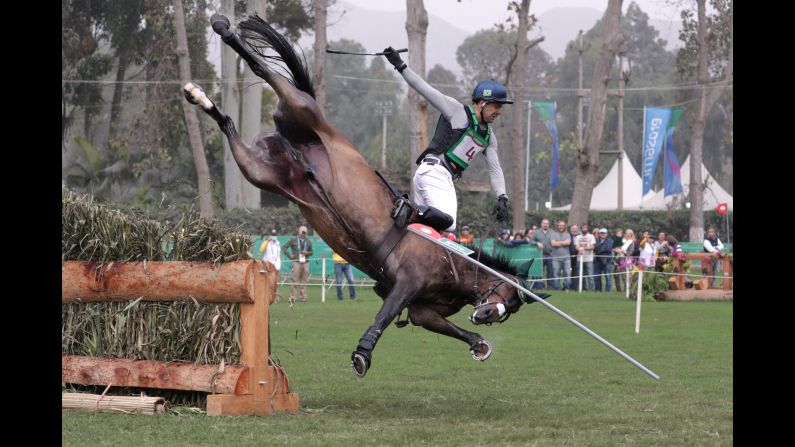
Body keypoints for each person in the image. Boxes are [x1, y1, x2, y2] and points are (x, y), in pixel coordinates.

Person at [383, 46, 510, 232]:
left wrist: (502, 197)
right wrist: (400, 65)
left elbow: (495, 169)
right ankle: (406, 207)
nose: (499, 112)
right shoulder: (457, 111)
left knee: (425, 232)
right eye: (497, 106)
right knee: (449, 224)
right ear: (482, 102)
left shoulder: (489, 138)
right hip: (434, 173)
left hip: (435, 176)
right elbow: (424, 89)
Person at [284, 225, 314, 304]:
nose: (304, 234)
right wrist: (289, 256)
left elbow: (312, 252)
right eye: (302, 232)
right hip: (296, 262)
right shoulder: (293, 240)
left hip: (306, 262)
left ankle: (303, 298)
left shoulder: (308, 241)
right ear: (299, 232)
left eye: (305, 233)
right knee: (294, 280)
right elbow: (284, 247)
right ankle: (293, 298)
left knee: (304, 281)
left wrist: (307, 253)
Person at [259, 229, 282, 302]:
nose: (273, 236)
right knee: (267, 282)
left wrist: (279, 264)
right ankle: (266, 297)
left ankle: (275, 298)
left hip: (276, 266)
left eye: (275, 235)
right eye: (272, 235)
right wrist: (267, 241)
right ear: (270, 235)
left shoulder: (278, 243)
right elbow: (261, 250)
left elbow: (278, 255)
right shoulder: (266, 242)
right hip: (267, 265)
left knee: (275, 282)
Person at [531, 218, 554, 289]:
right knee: (539, 272)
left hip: (550, 255)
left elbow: (555, 241)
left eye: (547, 223)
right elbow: (531, 241)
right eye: (544, 223)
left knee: (550, 272)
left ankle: (550, 287)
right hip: (539, 255)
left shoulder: (552, 232)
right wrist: (537, 243)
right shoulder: (536, 232)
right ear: (541, 224)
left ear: (549, 224)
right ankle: (539, 286)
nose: (545, 225)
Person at [550, 219, 572, 291]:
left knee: (567, 274)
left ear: (565, 226)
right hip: (556, 258)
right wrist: (563, 242)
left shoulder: (567, 234)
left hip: (566, 258)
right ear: (557, 226)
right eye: (560, 225)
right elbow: (553, 244)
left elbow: (568, 243)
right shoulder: (553, 234)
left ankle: (566, 288)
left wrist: (558, 243)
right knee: (556, 274)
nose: (561, 227)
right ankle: (557, 289)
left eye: (562, 225)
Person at [574, 224, 596, 291]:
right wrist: (579, 249)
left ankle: (591, 290)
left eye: (586, 228)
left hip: (589, 259)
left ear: (587, 229)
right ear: (581, 229)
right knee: (580, 275)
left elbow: (592, 247)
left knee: (590, 275)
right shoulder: (577, 237)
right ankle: (582, 288)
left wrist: (583, 248)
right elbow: (576, 246)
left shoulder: (591, 236)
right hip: (579, 259)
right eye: (583, 228)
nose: (584, 229)